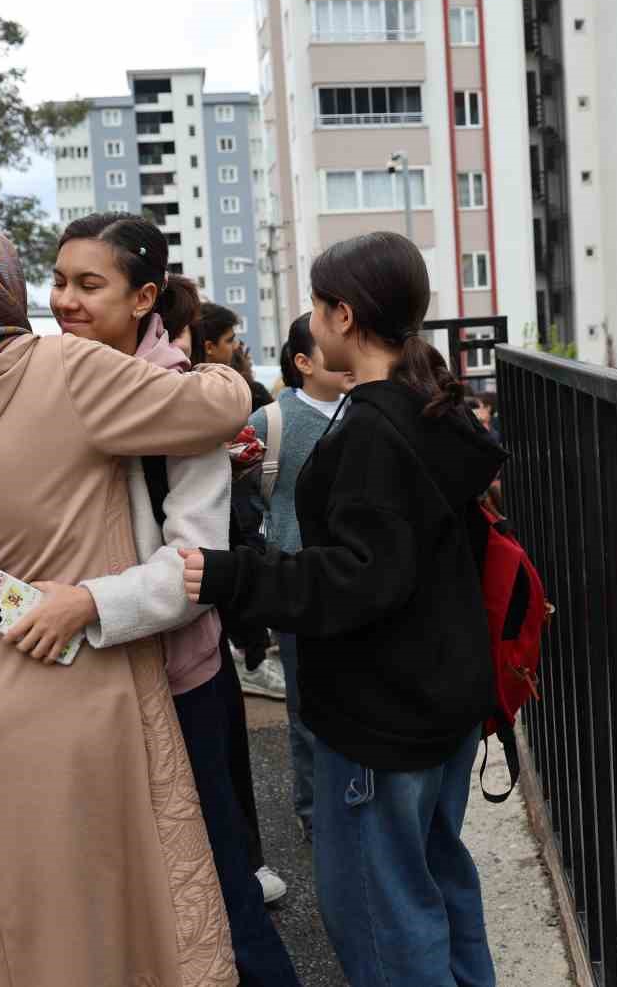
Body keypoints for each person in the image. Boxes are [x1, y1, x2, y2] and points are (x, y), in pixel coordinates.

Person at [0, 220, 248, 987]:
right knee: (81, 930)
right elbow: (219, 405)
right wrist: (199, 350)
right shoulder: (55, 368)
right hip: (56, 687)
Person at [183, 231, 506, 987]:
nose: (313, 322)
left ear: (344, 316)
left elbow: (355, 580)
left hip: (379, 716)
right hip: (444, 700)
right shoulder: (435, 413)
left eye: (318, 307)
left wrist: (230, 575)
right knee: (436, 884)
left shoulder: (373, 431)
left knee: (381, 916)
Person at [0, 211, 300, 985]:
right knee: (115, 892)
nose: (65, 299)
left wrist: (90, 604)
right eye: (59, 280)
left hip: (175, 682)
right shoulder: (46, 377)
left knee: (214, 884)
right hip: (84, 686)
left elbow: (196, 565)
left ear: (144, 299)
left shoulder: (178, 399)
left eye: (89, 284)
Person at [250, 311, 353, 843]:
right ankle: (315, 813)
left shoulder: (364, 411)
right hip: (297, 579)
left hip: (355, 577)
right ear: (303, 362)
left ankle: (351, 801)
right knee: (305, 705)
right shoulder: (272, 422)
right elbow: (238, 495)